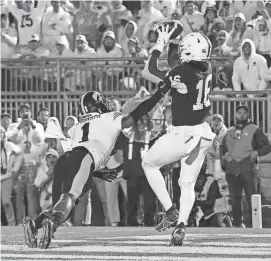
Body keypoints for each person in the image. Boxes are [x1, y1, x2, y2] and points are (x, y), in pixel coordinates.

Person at [22, 83, 171, 249]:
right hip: (84, 158)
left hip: (64, 161)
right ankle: (53, 225)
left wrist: (100, 173)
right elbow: (137, 113)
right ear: (97, 104)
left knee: (62, 204)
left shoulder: (77, 125)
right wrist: (159, 94)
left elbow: (76, 153)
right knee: (69, 198)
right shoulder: (111, 117)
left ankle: (35, 225)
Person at [142, 25, 215, 246]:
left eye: (183, 49)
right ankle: (181, 225)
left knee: (148, 163)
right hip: (202, 134)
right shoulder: (207, 67)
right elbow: (179, 70)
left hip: (184, 135)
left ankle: (170, 210)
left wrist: (160, 44)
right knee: (187, 184)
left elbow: (148, 71)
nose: (180, 52)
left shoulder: (183, 72)